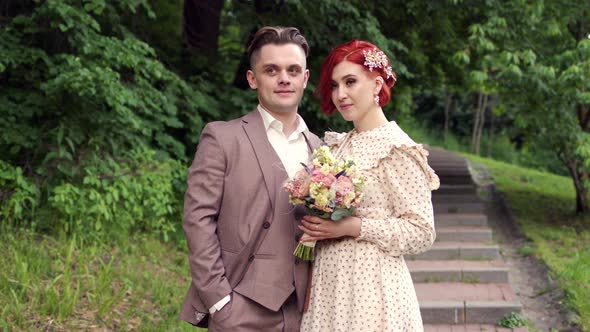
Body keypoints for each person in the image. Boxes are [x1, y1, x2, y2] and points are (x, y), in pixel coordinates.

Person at [179, 26, 322, 331]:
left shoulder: (322, 150)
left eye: (293, 70)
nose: (284, 78)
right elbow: (197, 220)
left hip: (309, 311)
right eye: (272, 70)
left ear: (305, 79)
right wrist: (219, 301)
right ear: (252, 79)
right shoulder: (222, 137)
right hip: (240, 307)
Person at [298, 40, 440, 331]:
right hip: (330, 288)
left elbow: (421, 232)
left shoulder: (397, 149)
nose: (341, 94)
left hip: (372, 291)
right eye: (335, 85)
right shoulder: (336, 147)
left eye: (350, 82)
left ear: (377, 86)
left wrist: (353, 227)